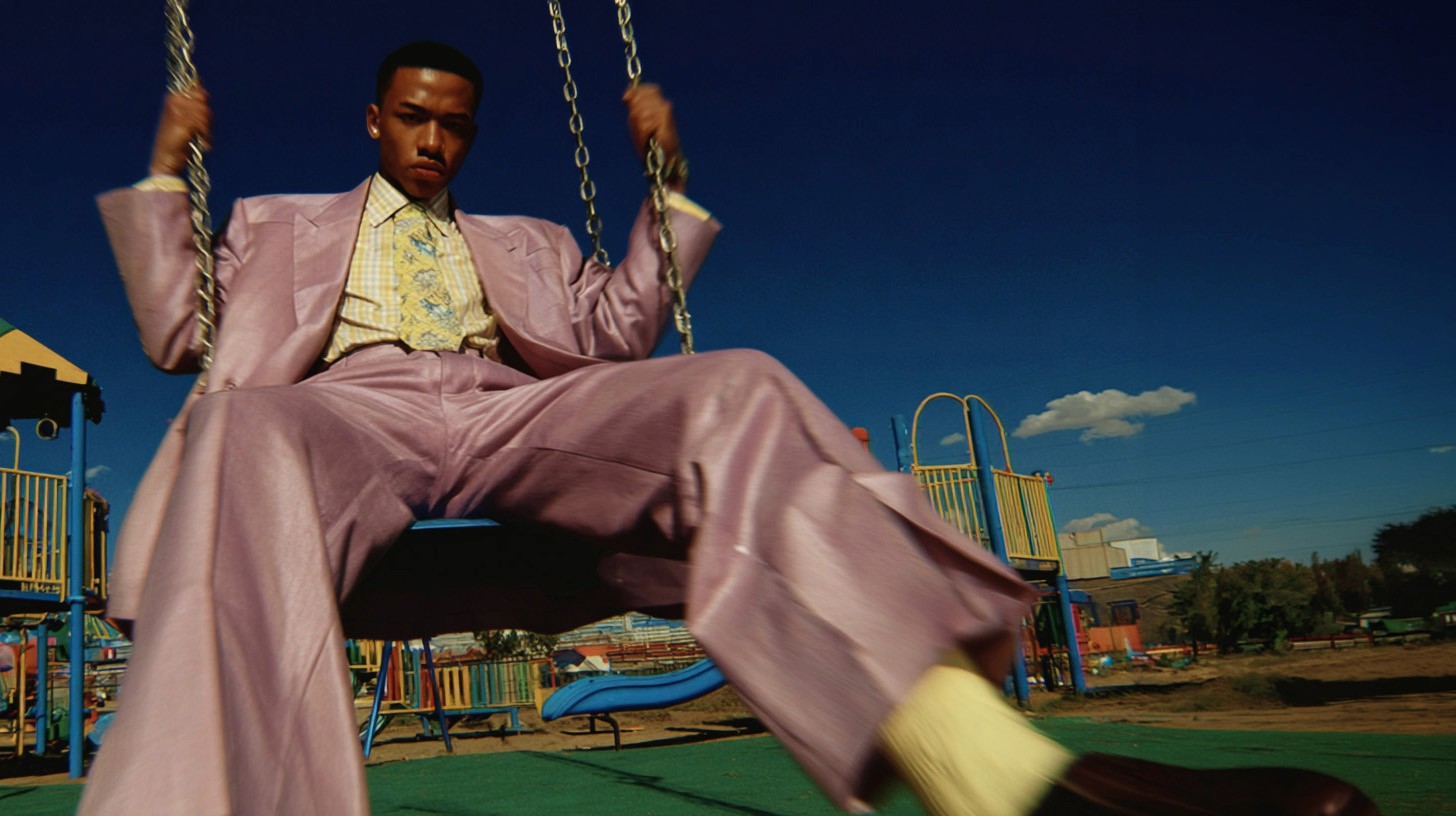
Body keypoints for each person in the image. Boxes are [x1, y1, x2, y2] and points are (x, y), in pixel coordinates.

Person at [81, 42, 1378, 816]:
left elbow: (620, 336)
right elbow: (176, 336)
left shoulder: (522, 241)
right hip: (337, 410)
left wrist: (668, 181)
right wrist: (161, 164)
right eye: (412, 117)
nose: (432, 138)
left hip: (510, 405)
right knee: (238, 431)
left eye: (454, 122)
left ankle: (991, 775)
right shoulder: (270, 220)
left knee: (738, 385)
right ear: (374, 119)